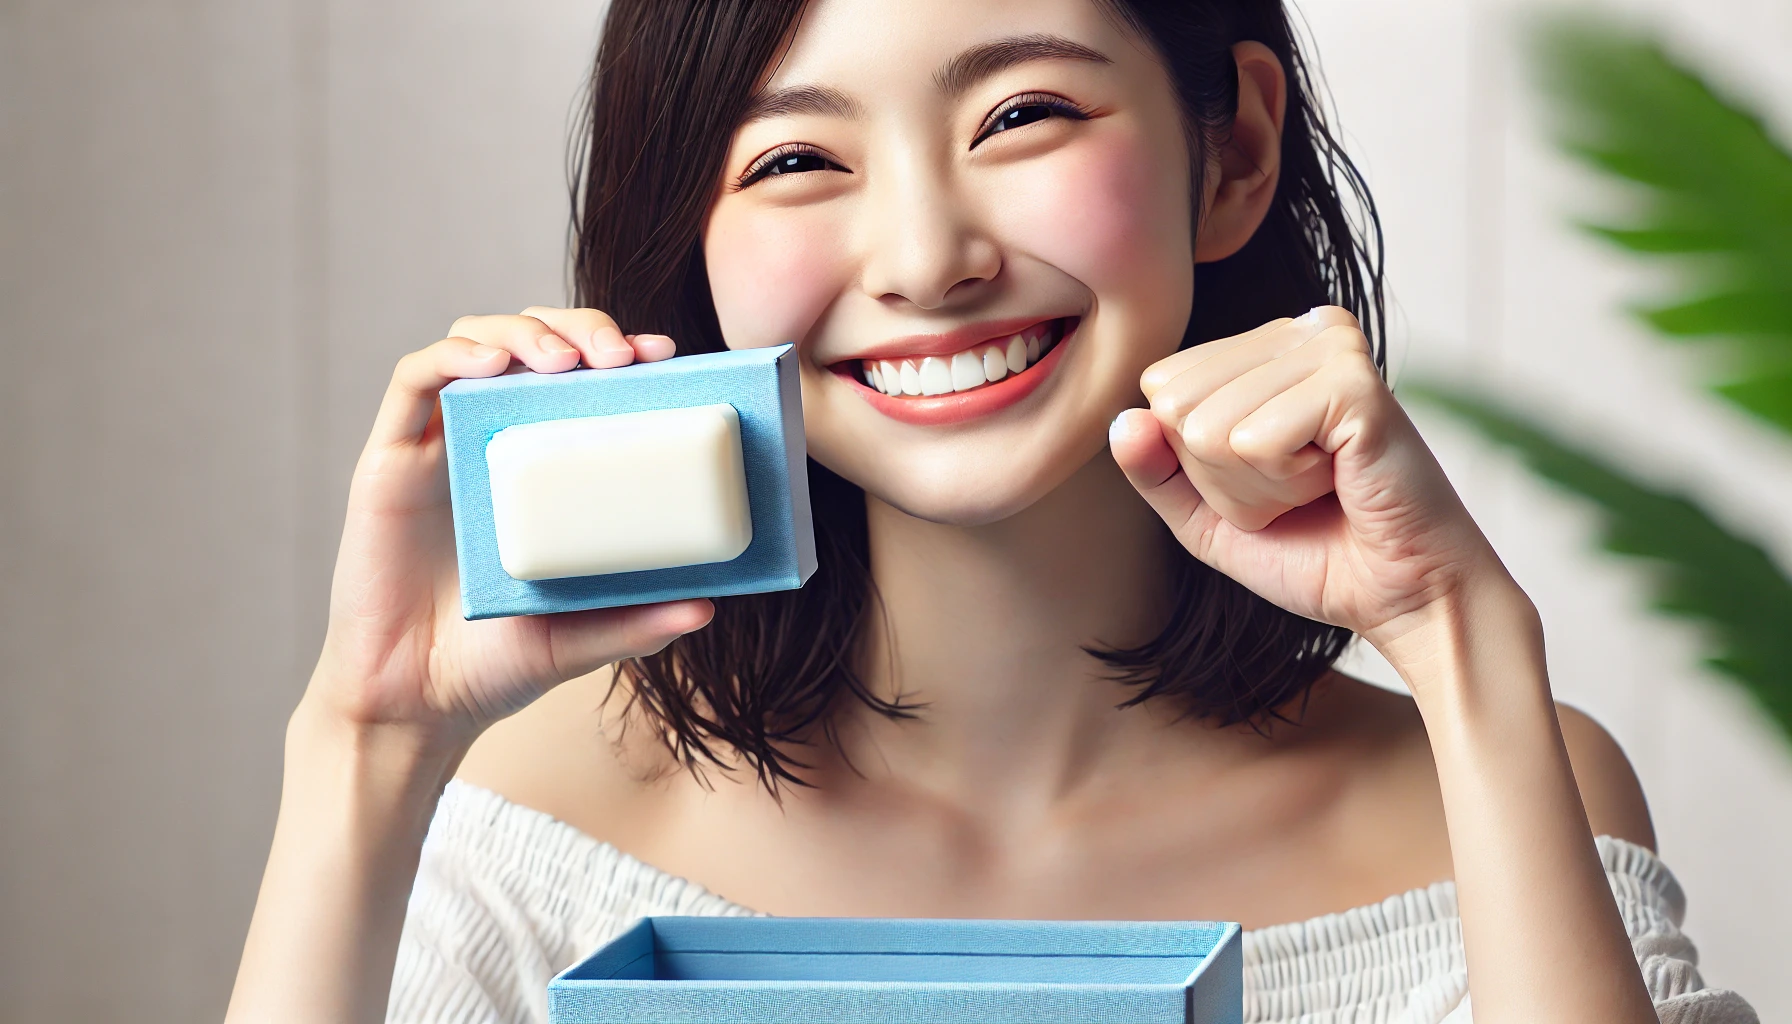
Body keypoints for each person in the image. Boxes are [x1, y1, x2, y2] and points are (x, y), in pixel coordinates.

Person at [226, 1, 1758, 1021]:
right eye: (798, 155)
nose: (924, 254)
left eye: (1021, 116)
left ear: (1231, 151)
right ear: (695, 241)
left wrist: (1464, 641)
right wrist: (360, 747)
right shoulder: (549, 826)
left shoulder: (1499, 786)